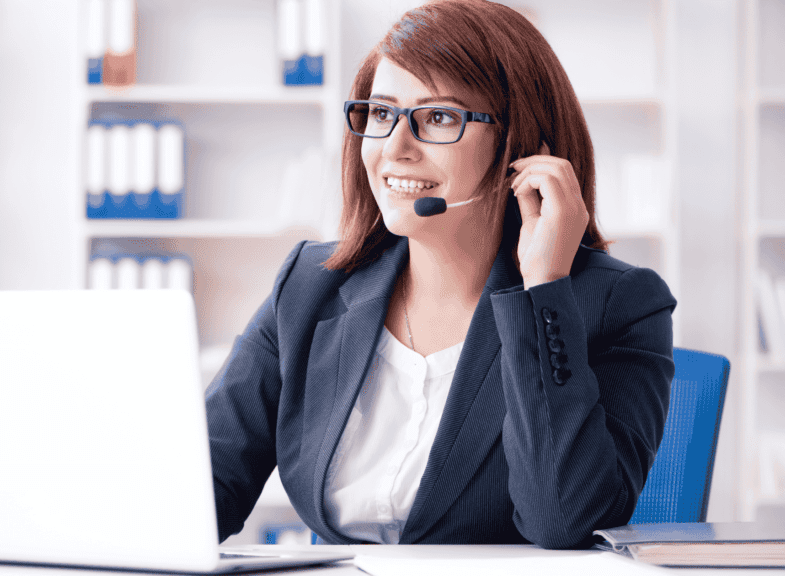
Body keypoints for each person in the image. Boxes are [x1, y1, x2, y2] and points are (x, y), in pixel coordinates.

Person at [205, 0, 675, 549]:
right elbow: (202, 493)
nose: (395, 149)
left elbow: (563, 522)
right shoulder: (311, 286)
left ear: (520, 147)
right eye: (381, 114)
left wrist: (543, 288)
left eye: (439, 118)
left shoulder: (617, 304)